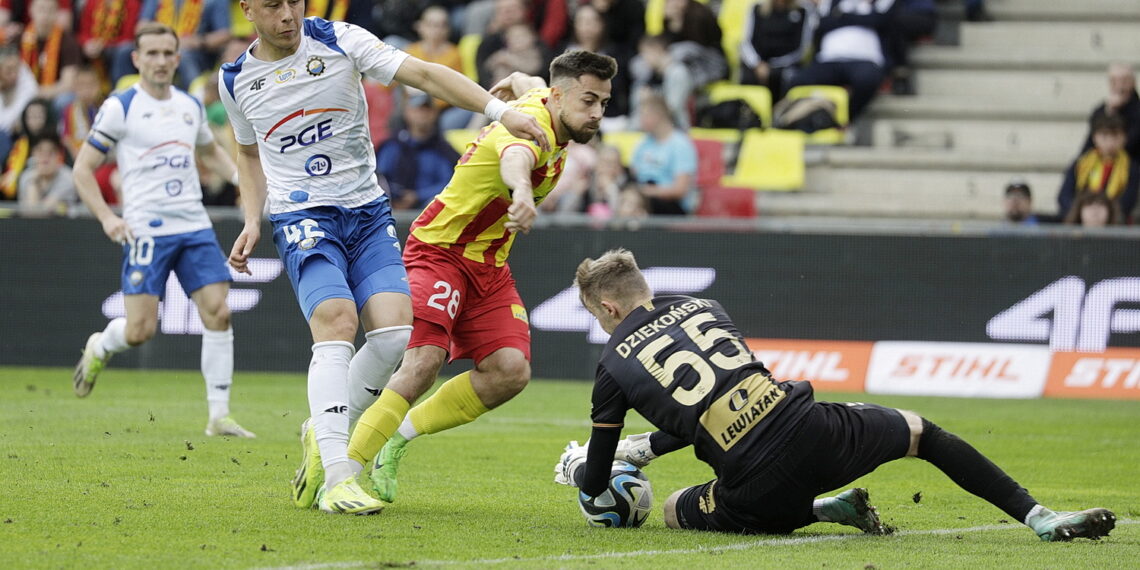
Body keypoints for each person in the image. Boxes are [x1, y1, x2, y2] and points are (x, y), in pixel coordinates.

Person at [218, 0, 550, 516]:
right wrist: (253, 219)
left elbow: (421, 72)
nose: (287, 15)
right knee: (337, 319)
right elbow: (247, 152)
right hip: (303, 215)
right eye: (272, 6)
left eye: (294, 2)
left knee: (396, 333)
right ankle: (337, 475)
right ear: (247, 11)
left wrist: (499, 112)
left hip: (367, 212)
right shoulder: (236, 78)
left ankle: (322, 428)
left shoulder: (338, 39)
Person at [555, 248, 1117, 542]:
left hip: (754, 486)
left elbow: (605, 476)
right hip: (814, 431)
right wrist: (646, 446)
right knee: (924, 433)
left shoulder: (613, 364)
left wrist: (587, 470)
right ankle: (1038, 515)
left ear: (608, 308)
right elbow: (722, 394)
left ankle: (817, 509)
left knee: (677, 510)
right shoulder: (705, 307)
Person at [345, 50, 616, 510]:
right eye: (589, 100)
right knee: (424, 361)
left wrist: (513, 74)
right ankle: (341, 470)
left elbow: (531, 80)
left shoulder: (543, 97)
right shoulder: (529, 128)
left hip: (489, 265)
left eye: (604, 103)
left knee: (510, 372)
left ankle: (396, 439)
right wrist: (524, 191)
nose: (597, 112)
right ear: (561, 96)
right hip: (440, 250)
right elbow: (515, 157)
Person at [71, 23, 255, 441]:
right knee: (139, 331)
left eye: (167, 53)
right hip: (146, 230)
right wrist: (107, 217)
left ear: (177, 58)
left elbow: (210, 151)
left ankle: (219, 416)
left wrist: (244, 188)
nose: (159, 61)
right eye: (150, 53)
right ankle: (99, 347)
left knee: (218, 311)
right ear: (136, 60)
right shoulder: (121, 106)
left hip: (193, 224)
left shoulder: (189, 106)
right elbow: (83, 170)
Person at [785, 0, 896, 121]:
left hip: (865, 59)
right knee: (797, 81)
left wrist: (842, 16)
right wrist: (861, 19)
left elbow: (881, 20)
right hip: (829, 59)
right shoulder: (831, 2)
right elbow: (822, 23)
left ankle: (843, 119)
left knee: (866, 81)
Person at [375, 87, 461, 211]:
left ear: (435, 113)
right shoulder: (391, 146)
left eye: (427, 110)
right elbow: (379, 177)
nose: (423, 114)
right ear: (407, 112)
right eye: (418, 109)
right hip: (389, 210)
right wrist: (393, 196)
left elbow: (451, 183)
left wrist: (417, 196)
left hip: (428, 214)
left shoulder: (444, 151)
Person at [1058, 114, 1138, 222]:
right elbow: (1064, 196)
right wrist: (1080, 213)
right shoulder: (1082, 164)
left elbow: (1128, 201)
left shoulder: (1130, 167)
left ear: (1124, 138)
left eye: (1115, 136)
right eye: (1104, 136)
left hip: (1114, 222)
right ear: (1095, 137)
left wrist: (1106, 214)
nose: (1110, 142)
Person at [630, 93, 697, 215]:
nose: (640, 120)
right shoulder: (643, 143)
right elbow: (633, 174)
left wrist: (646, 192)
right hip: (644, 201)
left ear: (657, 115)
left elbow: (680, 190)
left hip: (670, 208)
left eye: (643, 115)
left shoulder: (681, 144)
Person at [738, 0, 816, 99]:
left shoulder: (803, 11)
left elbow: (801, 49)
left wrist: (772, 66)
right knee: (748, 77)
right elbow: (745, 42)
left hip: (786, 64)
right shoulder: (756, 8)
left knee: (789, 78)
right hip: (758, 64)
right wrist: (757, 64)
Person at [1081, 63, 1140, 159]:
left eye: (1124, 81)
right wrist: (1109, 111)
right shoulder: (1100, 111)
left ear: (1133, 83)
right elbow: (1088, 147)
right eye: (1114, 81)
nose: (1119, 86)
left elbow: (1127, 145)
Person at [17, 135, 75, 215]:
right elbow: (29, 213)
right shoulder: (26, 177)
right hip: (31, 226)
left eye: (50, 153)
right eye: (40, 152)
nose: (45, 157)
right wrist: (33, 182)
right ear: (33, 154)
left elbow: (43, 212)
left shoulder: (68, 178)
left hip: (63, 225)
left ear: (59, 156)